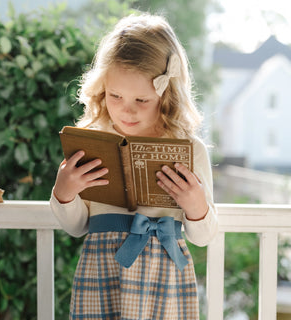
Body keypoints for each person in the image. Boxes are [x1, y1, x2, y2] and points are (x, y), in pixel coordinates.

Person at [50, 13, 218, 320]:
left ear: (166, 94)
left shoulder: (190, 150)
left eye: (141, 99)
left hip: (166, 275)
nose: (126, 110)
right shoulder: (93, 141)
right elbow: (76, 227)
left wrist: (197, 206)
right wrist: (64, 193)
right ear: (102, 89)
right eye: (115, 96)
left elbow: (204, 236)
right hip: (102, 271)